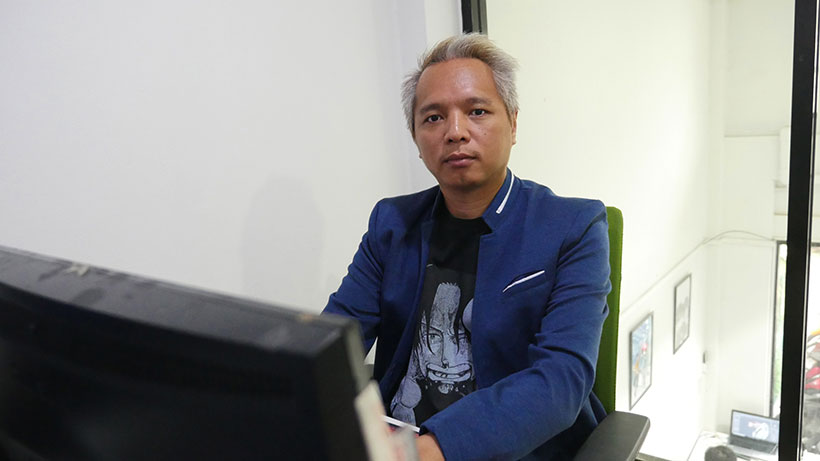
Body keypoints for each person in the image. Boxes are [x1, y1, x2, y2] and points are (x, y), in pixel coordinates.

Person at [323, 33, 611, 460]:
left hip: (508, 448)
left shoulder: (574, 227)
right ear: (416, 138)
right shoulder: (392, 223)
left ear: (513, 124)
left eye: (477, 111)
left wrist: (432, 449)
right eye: (433, 118)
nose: (455, 132)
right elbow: (336, 339)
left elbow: (561, 379)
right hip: (397, 439)